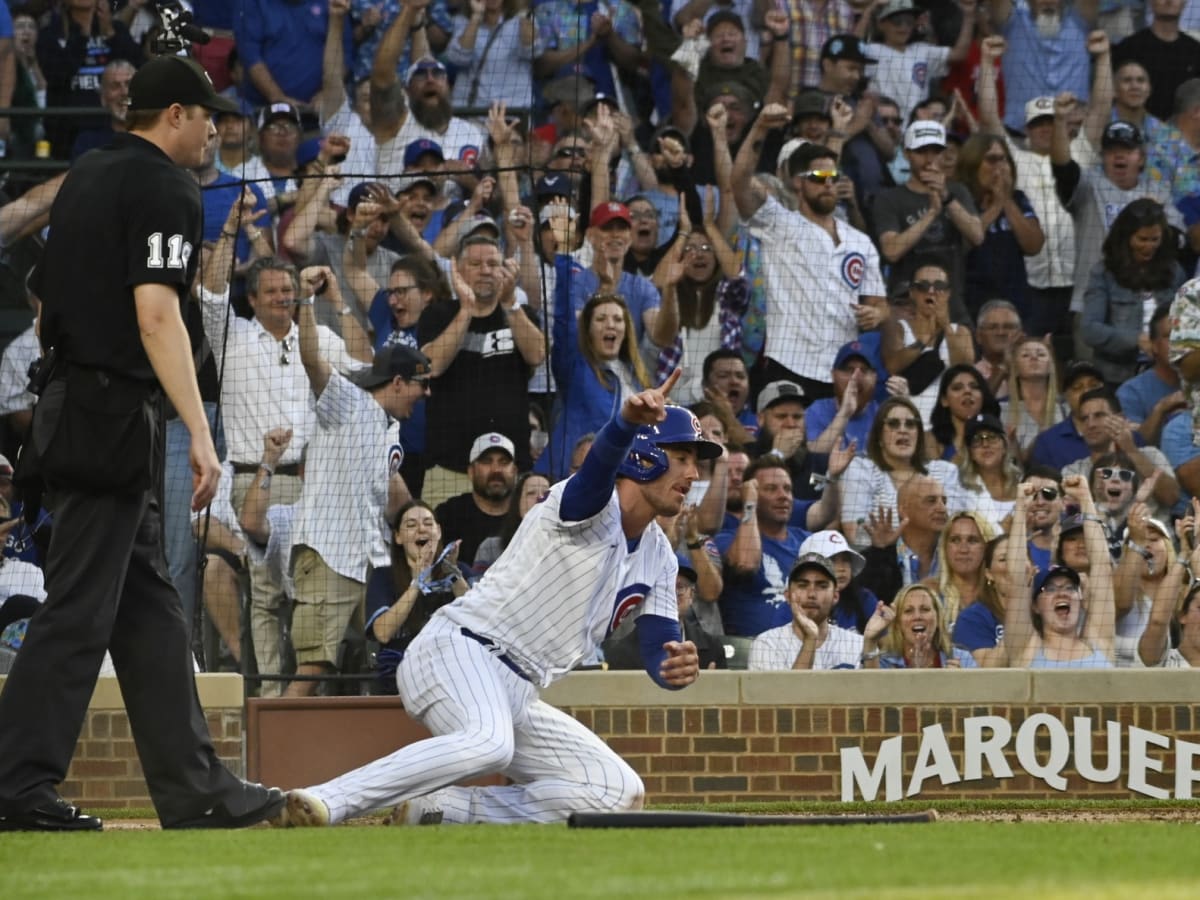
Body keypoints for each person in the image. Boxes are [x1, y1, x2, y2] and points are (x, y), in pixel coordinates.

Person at [0, 56, 283, 832]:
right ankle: (14, 784)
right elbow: (156, 313)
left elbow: (44, 295)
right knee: (79, 612)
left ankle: (195, 790)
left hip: (76, 406)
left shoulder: (88, 173)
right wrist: (200, 430)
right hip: (108, 417)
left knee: (149, 609)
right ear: (176, 116)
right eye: (209, 117)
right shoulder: (166, 185)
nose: (216, 132)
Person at [273, 375, 710, 828]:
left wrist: (673, 666)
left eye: (695, 462)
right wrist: (623, 424)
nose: (693, 475)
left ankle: (447, 811)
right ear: (643, 457)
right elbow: (596, 475)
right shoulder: (587, 503)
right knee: (489, 743)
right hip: (461, 649)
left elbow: (660, 647)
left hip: (517, 692)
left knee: (617, 791)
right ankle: (326, 800)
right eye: (681, 458)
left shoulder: (659, 554)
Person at [287, 274, 432, 697]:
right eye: (420, 386)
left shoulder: (392, 431)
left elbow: (392, 493)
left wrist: (423, 525)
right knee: (311, 669)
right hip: (328, 555)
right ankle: (266, 759)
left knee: (383, 650)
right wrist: (306, 302)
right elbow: (313, 361)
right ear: (399, 382)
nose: (423, 395)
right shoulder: (349, 403)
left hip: (365, 560)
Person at [731, 110, 888, 399]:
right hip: (789, 365)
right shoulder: (780, 224)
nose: (828, 183)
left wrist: (876, 313)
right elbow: (739, 180)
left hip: (840, 371)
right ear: (798, 182)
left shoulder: (860, 241)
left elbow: (880, 304)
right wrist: (759, 128)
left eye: (833, 176)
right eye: (818, 176)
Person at [872, 121, 985, 314]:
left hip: (952, 302)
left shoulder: (957, 191)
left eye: (936, 151)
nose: (929, 159)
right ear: (907, 154)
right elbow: (891, 251)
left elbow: (977, 236)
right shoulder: (889, 198)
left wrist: (946, 197)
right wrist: (932, 212)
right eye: (921, 151)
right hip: (906, 304)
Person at [1004, 475, 1117, 668]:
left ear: (1080, 600)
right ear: (1035, 606)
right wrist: (1021, 507)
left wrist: (1085, 498)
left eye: (1070, 587)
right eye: (1050, 589)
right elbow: (1016, 578)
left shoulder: (1098, 640)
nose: (1062, 593)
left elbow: (1101, 566)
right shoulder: (1027, 649)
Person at [1080, 199, 1188, 387]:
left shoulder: (1174, 271)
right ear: (1126, 237)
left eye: (1155, 239)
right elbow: (1090, 329)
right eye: (1142, 239)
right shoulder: (1103, 273)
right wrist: (1135, 339)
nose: (1149, 246)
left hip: (1167, 374)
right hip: (1116, 376)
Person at [365, 501, 469, 694]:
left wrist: (453, 575)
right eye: (411, 525)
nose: (421, 529)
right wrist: (417, 583)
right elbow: (382, 632)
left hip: (451, 674)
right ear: (398, 537)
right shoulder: (383, 576)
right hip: (398, 676)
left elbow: (478, 620)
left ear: (438, 531)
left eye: (428, 524)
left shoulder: (459, 572)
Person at [839, 395, 959, 549]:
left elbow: (954, 531)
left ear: (919, 435)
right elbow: (855, 535)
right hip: (877, 563)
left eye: (910, 424)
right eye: (893, 424)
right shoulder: (860, 468)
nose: (903, 430)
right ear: (879, 436)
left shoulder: (945, 472)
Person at [954, 133, 1045, 321]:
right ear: (973, 163)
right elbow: (962, 245)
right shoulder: (958, 200)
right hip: (971, 303)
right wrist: (996, 205)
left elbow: (1034, 245)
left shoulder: (1018, 199)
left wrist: (1005, 199)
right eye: (991, 160)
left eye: (1003, 160)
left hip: (1016, 302)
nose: (999, 167)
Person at [746, 552, 863, 670]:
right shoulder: (767, 644)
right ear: (788, 596)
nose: (811, 594)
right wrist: (810, 638)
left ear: (835, 597)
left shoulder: (856, 644)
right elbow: (794, 689)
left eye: (822, 586)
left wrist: (871, 646)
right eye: (802, 585)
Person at [435, 432, 518, 567]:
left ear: (514, 471)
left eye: (503, 462)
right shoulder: (449, 514)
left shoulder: (527, 514)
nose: (496, 470)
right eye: (487, 461)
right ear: (471, 471)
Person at [860, 583, 978, 668]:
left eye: (925, 609)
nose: (917, 616)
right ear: (898, 623)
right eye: (908, 611)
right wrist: (870, 640)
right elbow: (874, 695)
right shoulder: (885, 663)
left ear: (938, 619)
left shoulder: (962, 659)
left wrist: (960, 686)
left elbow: (980, 701)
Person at [952, 534, 1021, 666]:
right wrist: (1020, 614)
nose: (1013, 567)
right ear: (989, 574)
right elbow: (988, 670)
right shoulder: (973, 618)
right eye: (1004, 559)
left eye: (1019, 558)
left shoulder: (1044, 610)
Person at [953, 413, 1021, 532]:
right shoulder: (960, 491)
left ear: (1004, 446)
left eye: (992, 437)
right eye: (977, 440)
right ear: (970, 453)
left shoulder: (1022, 483)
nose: (985, 444)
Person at [473, 472, 552, 572]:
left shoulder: (565, 545)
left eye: (546, 493)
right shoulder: (490, 547)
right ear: (517, 504)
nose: (540, 497)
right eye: (531, 492)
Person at [926, 364, 1001, 461]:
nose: (967, 391)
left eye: (974, 387)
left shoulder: (998, 438)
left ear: (983, 397)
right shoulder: (930, 439)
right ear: (944, 400)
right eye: (957, 388)